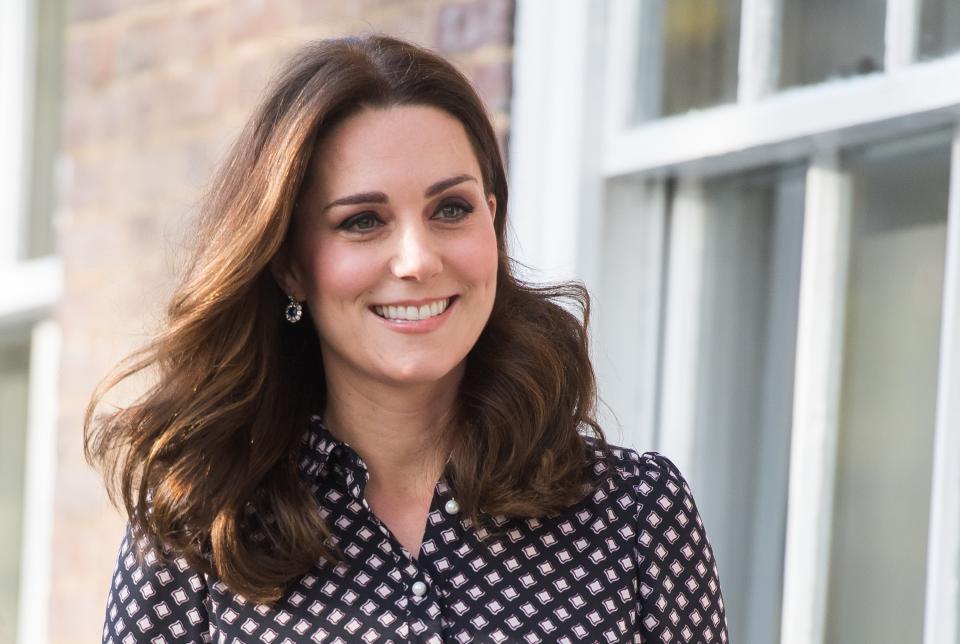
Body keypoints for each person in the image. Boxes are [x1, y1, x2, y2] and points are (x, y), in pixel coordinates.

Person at [87, 34, 728, 643]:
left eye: (451, 209)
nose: (417, 260)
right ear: (289, 264)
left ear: (493, 224)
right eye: (363, 221)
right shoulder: (199, 537)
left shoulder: (635, 517)